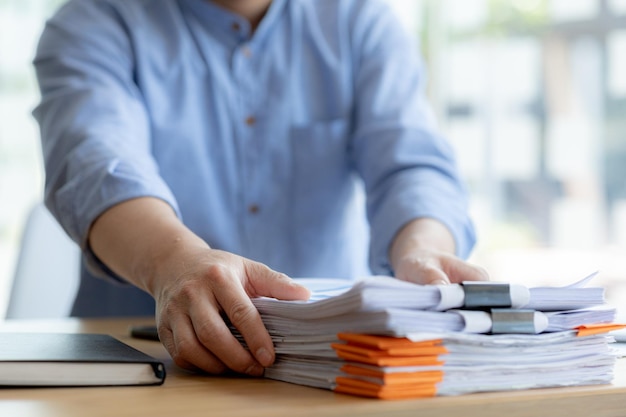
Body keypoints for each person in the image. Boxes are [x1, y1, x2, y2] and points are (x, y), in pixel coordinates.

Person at [33, 0, 489, 377]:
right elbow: (94, 163)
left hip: (333, 366)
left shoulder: (359, 19)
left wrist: (422, 250)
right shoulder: (94, 20)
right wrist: (174, 265)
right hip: (145, 364)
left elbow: (411, 162)